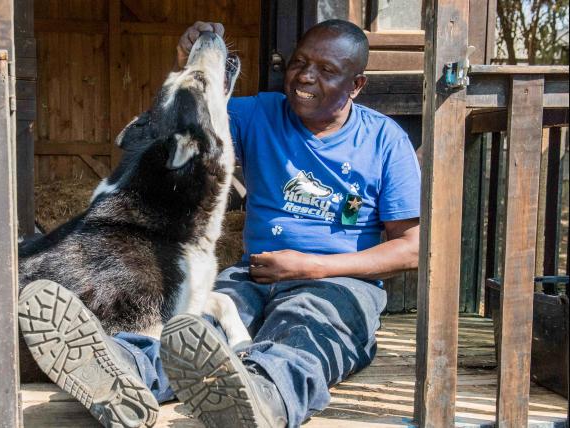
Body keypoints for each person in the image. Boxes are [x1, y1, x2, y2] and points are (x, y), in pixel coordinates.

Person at [24, 19, 421, 428]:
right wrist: (189, 61)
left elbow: (410, 249)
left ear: (356, 85)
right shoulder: (260, 112)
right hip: (255, 275)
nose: (305, 76)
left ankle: (262, 398)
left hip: (336, 284)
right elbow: (182, 119)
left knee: (304, 331)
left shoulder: (385, 141)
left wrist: (312, 267)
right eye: (299, 63)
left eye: (326, 70)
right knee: (192, 327)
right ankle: (121, 369)